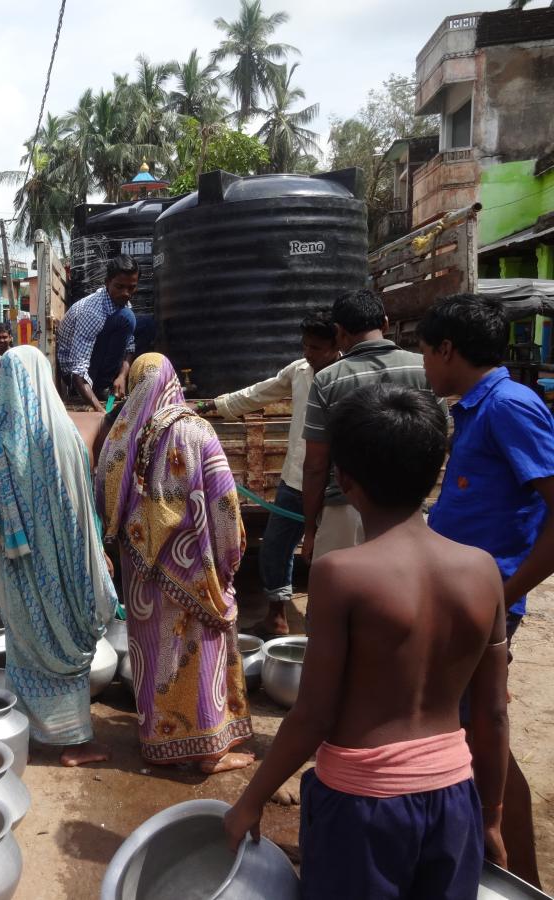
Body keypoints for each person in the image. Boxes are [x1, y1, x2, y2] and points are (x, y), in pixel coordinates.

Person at [223, 384, 510, 900]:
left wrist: (251, 799)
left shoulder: (341, 575)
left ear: (344, 477)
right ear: (436, 471)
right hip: (453, 793)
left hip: (362, 805)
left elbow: (313, 715)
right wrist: (490, 814)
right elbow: (491, 713)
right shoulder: (483, 571)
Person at [420, 294, 554, 888]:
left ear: (448, 349)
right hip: (464, 600)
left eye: (427, 352)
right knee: (466, 729)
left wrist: (504, 593)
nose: (425, 364)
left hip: (486, 603)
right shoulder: (475, 409)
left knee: (482, 734)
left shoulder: (509, 407)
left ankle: (519, 877)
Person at [96, 353, 253, 773]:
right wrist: (230, 557)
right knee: (199, 655)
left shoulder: (125, 432)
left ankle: (159, 741)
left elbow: (104, 487)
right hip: (194, 570)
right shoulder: (196, 431)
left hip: (140, 571)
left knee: (154, 655)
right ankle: (210, 751)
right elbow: (224, 504)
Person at [0, 346, 116, 767]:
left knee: (24, 639)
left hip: (11, 562)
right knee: (65, 637)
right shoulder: (66, 437)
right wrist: (93, 552)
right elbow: (84, 507)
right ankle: (75, 741)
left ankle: (23, 728)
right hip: (63, 564)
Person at [196, 311, 341, 636]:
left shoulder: (347, 375)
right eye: (305, 345)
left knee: (331, 554)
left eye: (316, 348)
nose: (308, 353)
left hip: (335, 484)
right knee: (275, 547)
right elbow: (258, 393)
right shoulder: (299, 370)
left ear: (337, 344)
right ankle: (277, 617)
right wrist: (209, 407)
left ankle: (327, 626)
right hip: (296, 479)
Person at [301, 289, 436, 561]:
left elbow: (315, 465)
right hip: (408, 509)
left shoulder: (327, 380)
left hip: (345, 509)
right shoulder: (424, 369)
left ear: (339, 332)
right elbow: (437, 440)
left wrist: (310, 529)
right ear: (385, 323)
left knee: (340, 585)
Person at [57, 255, 140, 413]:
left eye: (131, 288)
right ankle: (102, 390)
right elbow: (78, 371)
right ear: (107, 282)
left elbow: (130, 347)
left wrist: (122, 376)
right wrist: (100, 412)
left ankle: (108, 388)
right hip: (76, 377)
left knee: (145, 323)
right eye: (119, 286)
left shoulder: (123, 302)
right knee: (127, 318)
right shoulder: (92, 311)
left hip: (97, 368)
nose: (126, 293)